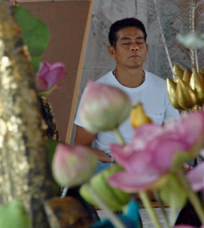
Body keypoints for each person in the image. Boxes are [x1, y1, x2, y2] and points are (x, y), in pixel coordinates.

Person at [74, 18, 180, 171]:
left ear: (147, 48)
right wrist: (116, 162)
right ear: (112, 51)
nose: (134, 48)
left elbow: (172, 139)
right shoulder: (96, 92)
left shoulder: (164, 88)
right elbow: (82, 147)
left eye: (139, 42)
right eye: (126, 43)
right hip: (110, 165)